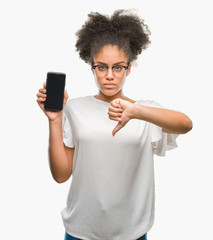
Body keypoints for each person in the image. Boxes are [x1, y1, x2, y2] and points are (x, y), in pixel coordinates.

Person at [36, 9, 193, 240]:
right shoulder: (75, 108)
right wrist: (55, 119)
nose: (109, 75)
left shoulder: (145, 112)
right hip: (80, 231)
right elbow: (60, 175)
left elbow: (186, 124)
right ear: (92, 67)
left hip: (132, 233)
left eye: (118, 67)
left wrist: (136, 111)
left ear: (128, 68)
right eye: (102, 67)